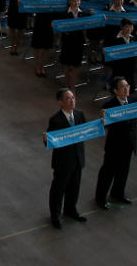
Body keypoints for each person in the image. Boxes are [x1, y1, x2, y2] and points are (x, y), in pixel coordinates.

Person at [45, 88, 87, 228]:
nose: (72, 101)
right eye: (68, 99)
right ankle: (55, 214)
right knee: (59, 189)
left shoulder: (80, 115)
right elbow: (51, 141)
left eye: (73, 98)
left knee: (74, 187)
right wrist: (46, 139)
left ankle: (71, 209)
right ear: (61, 102)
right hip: (63, 161)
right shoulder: (55, 120)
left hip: (77, 158)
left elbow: (86, 131)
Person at [94, 76, 137, 208]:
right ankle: (100, 198)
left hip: (129, 143)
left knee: (123, 170)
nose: (126, 89)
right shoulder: (109, 106)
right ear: (116, 91)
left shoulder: (133, 101)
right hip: (115, 144)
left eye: (127, 86)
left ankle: (118, 193)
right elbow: (104, 125)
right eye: (123, 87)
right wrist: (103, 118)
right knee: (108, 172)